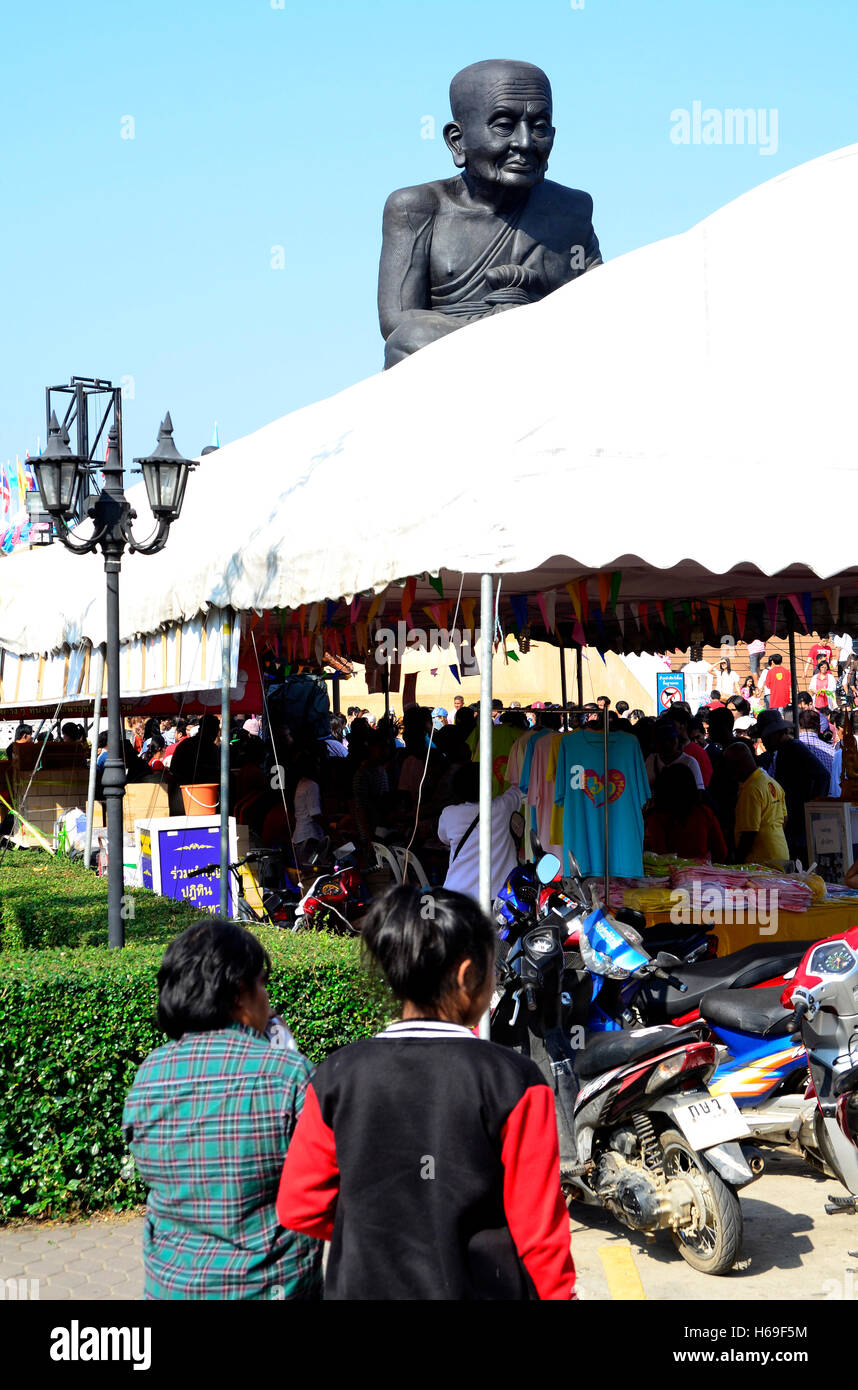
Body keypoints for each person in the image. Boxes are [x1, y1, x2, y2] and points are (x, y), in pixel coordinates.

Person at [276, 885, 576, 1300]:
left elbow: (299, 1205)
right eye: (493, 969)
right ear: (466, 974)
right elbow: (540, 1237)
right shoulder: (516, 1082)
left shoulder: (335, 1077)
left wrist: (377, 1231)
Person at [123, 918, 322, 1300]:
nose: (267, 997)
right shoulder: (286, 1074)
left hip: (172, 1287)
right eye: (262, 982)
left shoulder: (150, 1074)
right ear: (238, 993)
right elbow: (324, 1181)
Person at [378, 59, 600, 367]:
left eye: (539, 127)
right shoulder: (417, 208)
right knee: (411, 337)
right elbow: (396, 320)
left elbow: (599, 303)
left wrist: (529, 317)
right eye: (504, 126)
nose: (524, 143)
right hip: (455, 357)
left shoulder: (571, 209)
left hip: (545, 353)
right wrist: (497, 323)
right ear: (458, 141)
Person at [437, 762, 522, 901]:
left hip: (457, 893)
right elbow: (519, 788)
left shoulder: (449, 814)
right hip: (496, 896)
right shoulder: (503, 806)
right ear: (488, 785)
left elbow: (443, 838)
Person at [755, 709, 829, 862]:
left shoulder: (795, 748)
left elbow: (823, 775)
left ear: (776, 733)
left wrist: (810, 807)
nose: (764, 741)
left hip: (799, 826)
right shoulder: (781, 752)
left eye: (766, 736)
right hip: (791, 823)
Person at [723, 742, 789, 868]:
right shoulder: (771, 782)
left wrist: (737, 862)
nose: (729, 771)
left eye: (729, 766)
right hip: (780, 854)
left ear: (738, 765)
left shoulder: (751, 789)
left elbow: (750, 832)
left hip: (762, 861)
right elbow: (784, 819)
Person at [645, 762, 727, 861]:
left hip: (670, 873)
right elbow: (721, 852)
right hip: (700, 872)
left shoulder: (657, 816)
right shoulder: (704, 813)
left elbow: (660, 855)